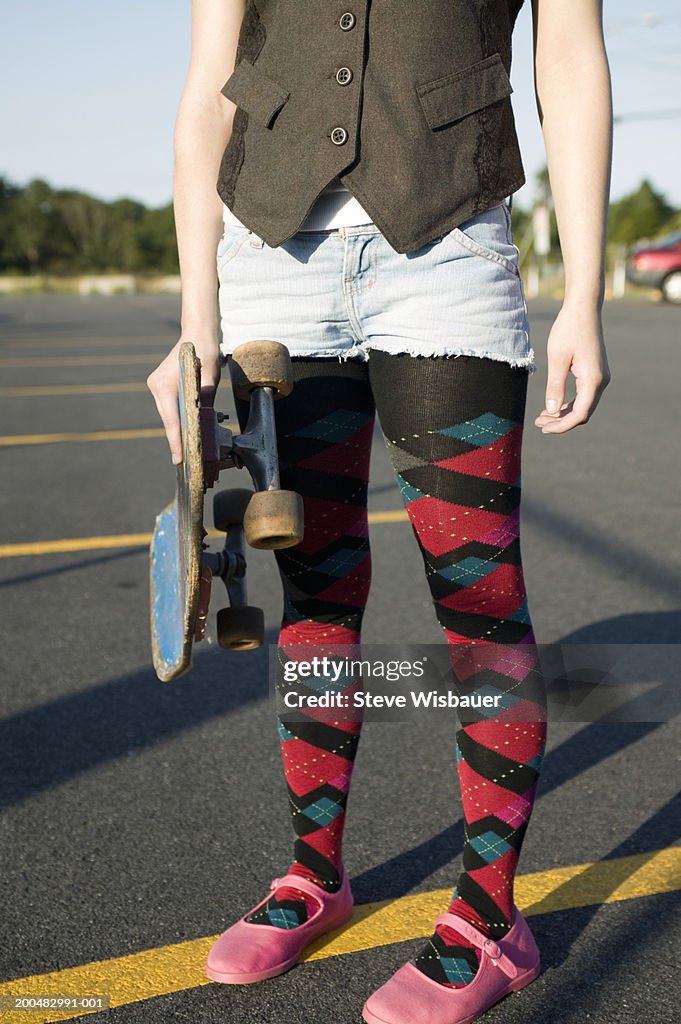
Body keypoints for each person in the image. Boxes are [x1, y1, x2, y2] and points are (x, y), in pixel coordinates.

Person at [147, 2, 612, 1021]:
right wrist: (197, 322)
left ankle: (494, 921)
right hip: (269, 258)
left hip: (446, 254)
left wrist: (586, 291)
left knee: (479, 598)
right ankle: (316, 874)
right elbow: (207, 89)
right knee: (313, 577)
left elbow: (570, 59)